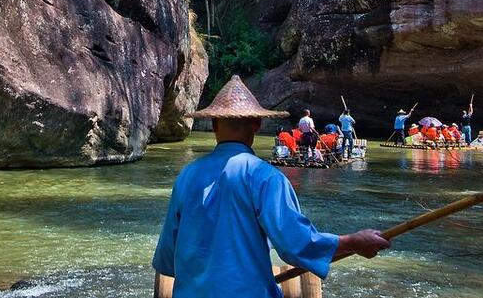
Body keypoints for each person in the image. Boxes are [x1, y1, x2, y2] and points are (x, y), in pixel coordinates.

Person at [153, 76, 391, 297]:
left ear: (214, 125)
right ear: (256, 124)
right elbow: (296, 244)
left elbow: (167, 258)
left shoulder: (187, 175)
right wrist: (353, 242)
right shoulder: (265, 177)